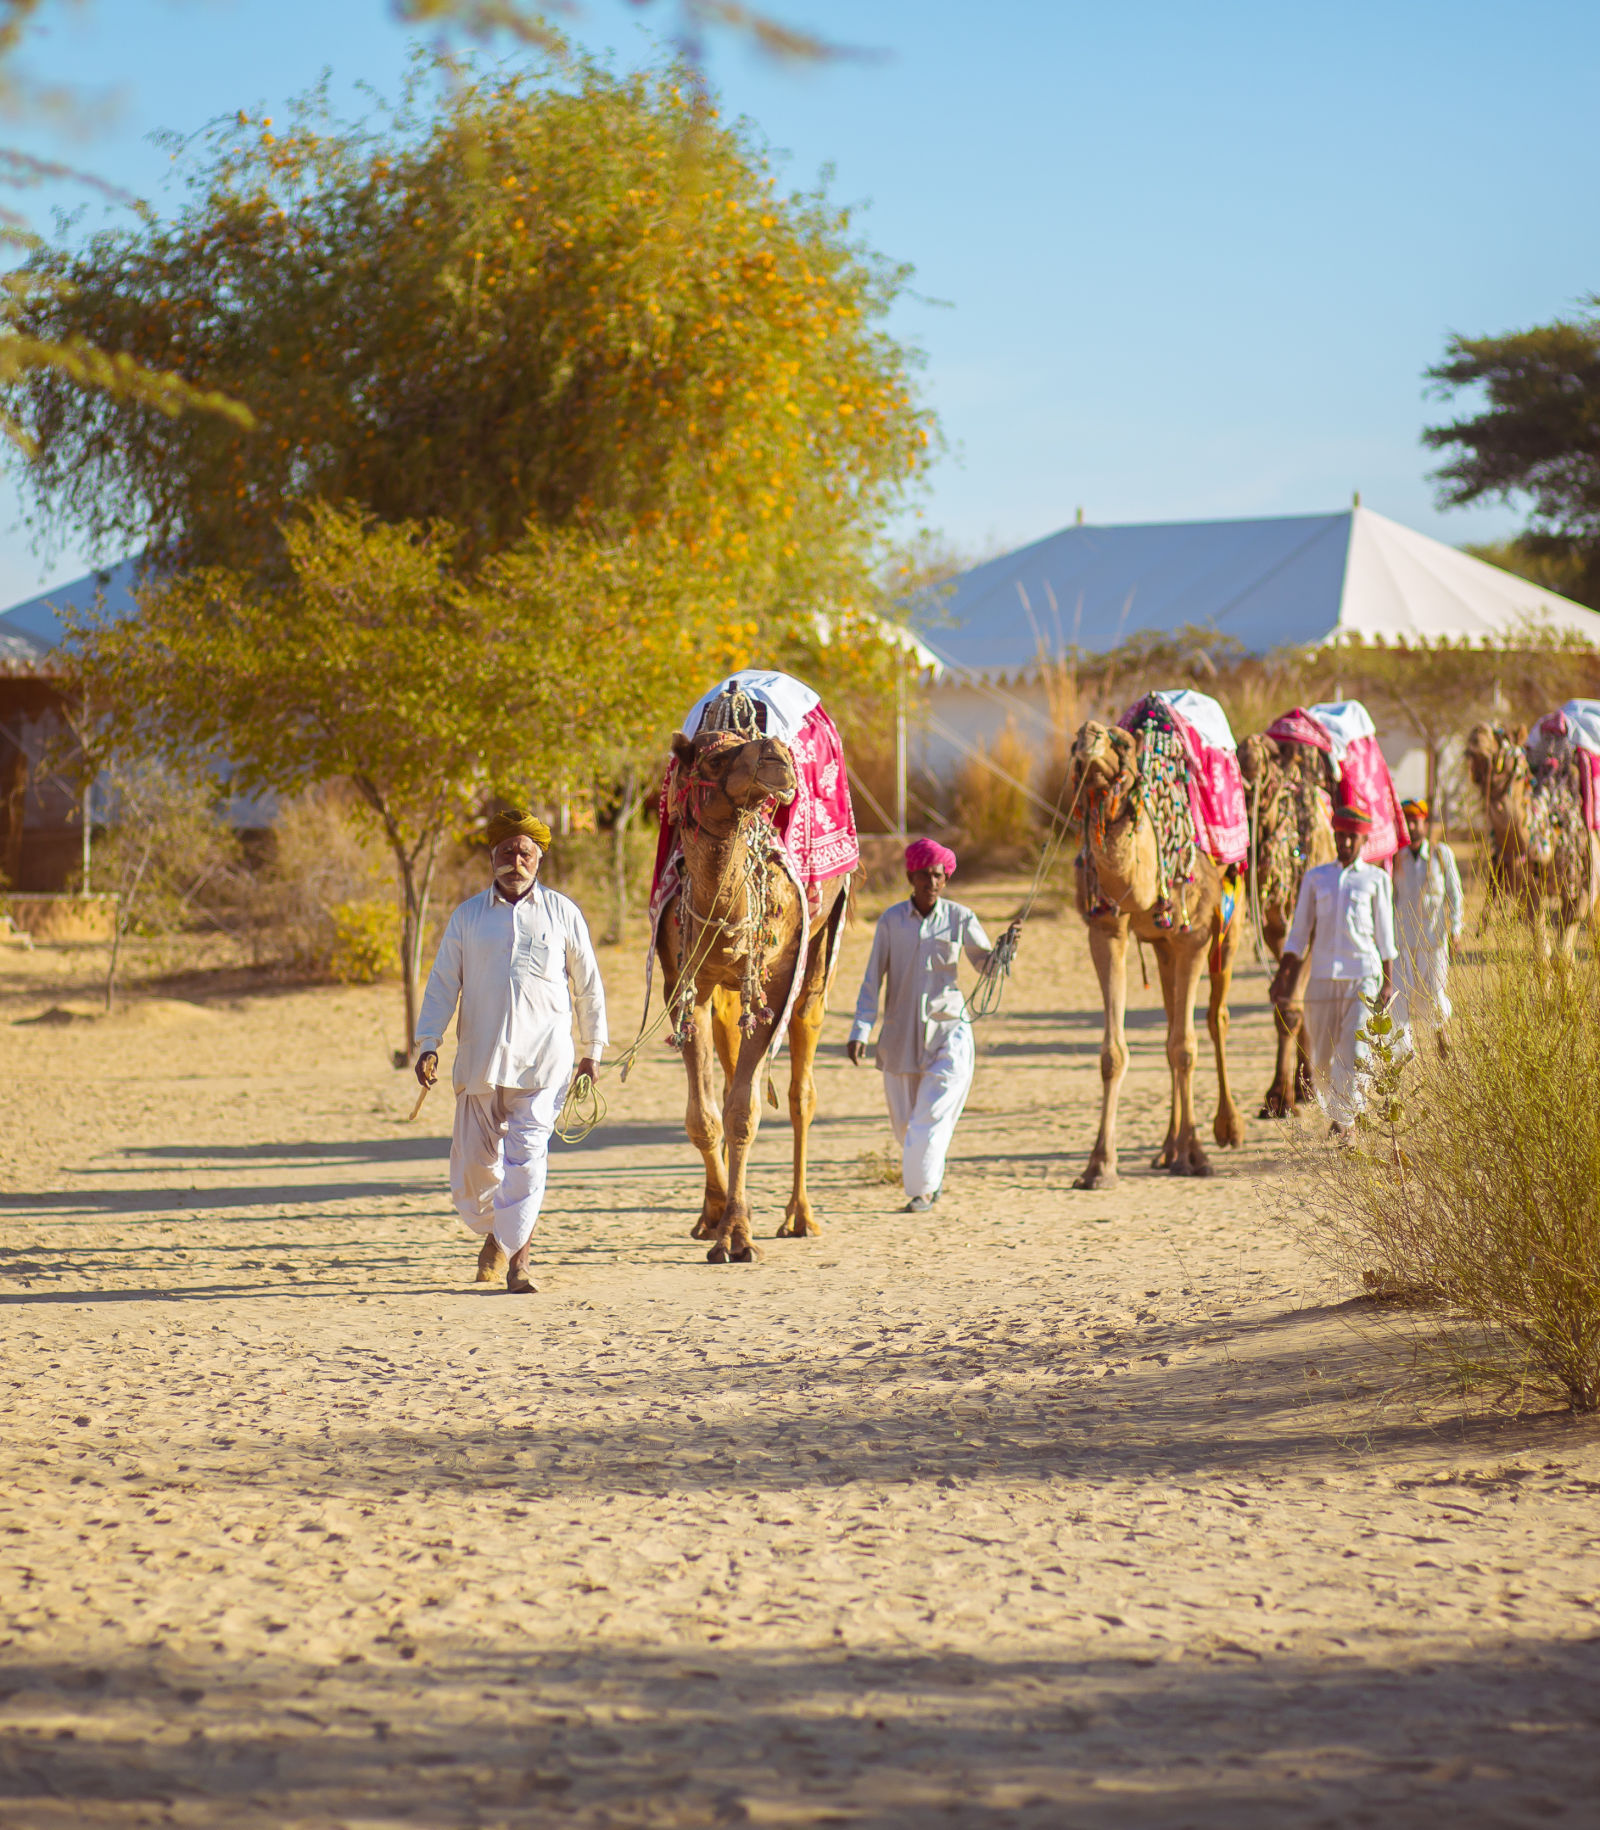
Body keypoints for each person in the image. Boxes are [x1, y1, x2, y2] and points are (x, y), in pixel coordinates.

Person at [414, 810, 607, 1294]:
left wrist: (593, 1048)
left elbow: (588, 986)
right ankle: (497, 1236)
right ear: (492, 857)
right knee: (476, 1173)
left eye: (525, 853)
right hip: (481, 1060)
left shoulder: (563, 913)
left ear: (539, 859)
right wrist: (429, 1043)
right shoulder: (467, 917)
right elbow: (442, 984)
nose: (515, 861)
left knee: (528, 1162)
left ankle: (518, 1262)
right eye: (506, 852)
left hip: (545, 1062)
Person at [846, 838, 1020, 1212]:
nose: (932, 881)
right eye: (924, 874)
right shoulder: (891, 921)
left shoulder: (961, 918)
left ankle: (921, 1193)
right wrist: (860, 1030)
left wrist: (1005, 951)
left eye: (938, 875)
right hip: (899, 1037)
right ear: (911, 875)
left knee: (931, 1116)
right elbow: (872, 979)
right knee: (907, 1129)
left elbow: (985, 966)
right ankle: (931, 1174)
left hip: (949, 1031)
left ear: (946, 878)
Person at [1270, 794, 1396, 1135]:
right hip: (1322, 981)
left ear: (1363, 839)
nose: (1344, 842)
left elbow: (1386, 937)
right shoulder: (1315, 879)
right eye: (1339, 835)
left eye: (1350, 837)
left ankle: (1345, 1122)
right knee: (1322, 1059)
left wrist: (1387, 981)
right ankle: (1340, 1111)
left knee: (1354, 1051)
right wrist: (1283, 976)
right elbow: (1298, 935)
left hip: (1364, 979)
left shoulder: (1376, 880)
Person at [1391, 796, 1463, 1051]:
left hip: (1433, 940)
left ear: (1425, 823)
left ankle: (1440, 1031)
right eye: (1407, 822)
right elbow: (1392, 900)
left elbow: (1454, 894)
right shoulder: (1397, 859)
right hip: (1403, 942)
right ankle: (1401, 1053)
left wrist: (1456, 928)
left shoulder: (1441, 854)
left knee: (1432, 994)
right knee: (1399, 999)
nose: (1412, 827)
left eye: (1416, 821)